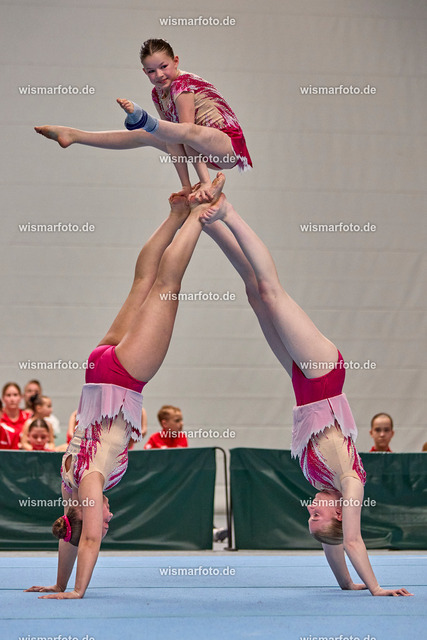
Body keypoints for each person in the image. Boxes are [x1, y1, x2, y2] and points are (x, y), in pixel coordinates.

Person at [24, 173, 225, 600]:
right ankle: (176, 215)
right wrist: (58, 582)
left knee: (166, 287)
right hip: (97, 369)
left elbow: (86, 538)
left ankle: (200, 213)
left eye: (102, 520)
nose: (107, 519)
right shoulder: (69, 486)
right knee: (143, 283)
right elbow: (73, 533)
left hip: (124, 376)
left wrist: (75, 591)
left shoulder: (89, 483)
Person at [199, 193, 411, 596]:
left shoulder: (323, 488)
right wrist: (375, 588)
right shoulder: (351, 485)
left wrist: (347, 584)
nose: (310, 508)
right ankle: (229, 213)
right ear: (340, 514)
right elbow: (351, 541)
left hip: (303, 384)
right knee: (271, 292)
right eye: (317, 515)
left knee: (255, 296)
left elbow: (333, 546)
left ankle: (207, 222)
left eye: (309, 515)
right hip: (325, 375)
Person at [35, 39, 252, 200]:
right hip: (204, 153)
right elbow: (172, 140)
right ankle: (75, 135)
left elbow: (187, 133)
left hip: (227, 148)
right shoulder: (157, 93)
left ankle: (145, 120)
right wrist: (186, 186)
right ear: (144, 72)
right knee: (149, 135)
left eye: (164, 67)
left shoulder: (182, 84)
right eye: (151, 71)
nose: (159, 75)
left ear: (176, 61)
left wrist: (205, 183)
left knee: (184, 131)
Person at [0, 383, 31, 449]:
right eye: (8, 395)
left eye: (15, 395)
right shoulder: (0, 418)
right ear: (3, 398)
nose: (12, 399)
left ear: (21, 397)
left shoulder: (29, 418)